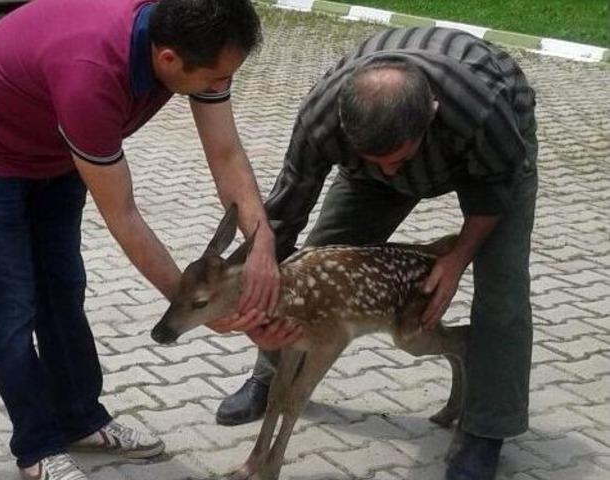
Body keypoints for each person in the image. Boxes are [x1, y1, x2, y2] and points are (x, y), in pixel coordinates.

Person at [0, 1, 286, 478]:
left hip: (56, 148)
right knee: (12, 305)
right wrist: (197, 305)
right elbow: (123, 216)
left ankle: (81, 421)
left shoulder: (192, 45)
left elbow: (226, 155)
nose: (220, 85)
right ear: (167, 60)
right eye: (214, 77)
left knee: (63, 287)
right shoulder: (91, 75)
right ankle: (36, 448)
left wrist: (263, 242)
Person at [216, 27, 537, 480]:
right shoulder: (324, 115)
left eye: (398, 160)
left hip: (489, 166)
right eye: (376, 158)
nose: (390, 170)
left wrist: (456, 258)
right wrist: (256, 300)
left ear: (431, 114)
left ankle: (487, 427)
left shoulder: (479, 110)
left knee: (502, 291)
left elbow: (497, 193)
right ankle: (267, 379)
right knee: (313, 268)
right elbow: (285, 214)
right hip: (372, 170)